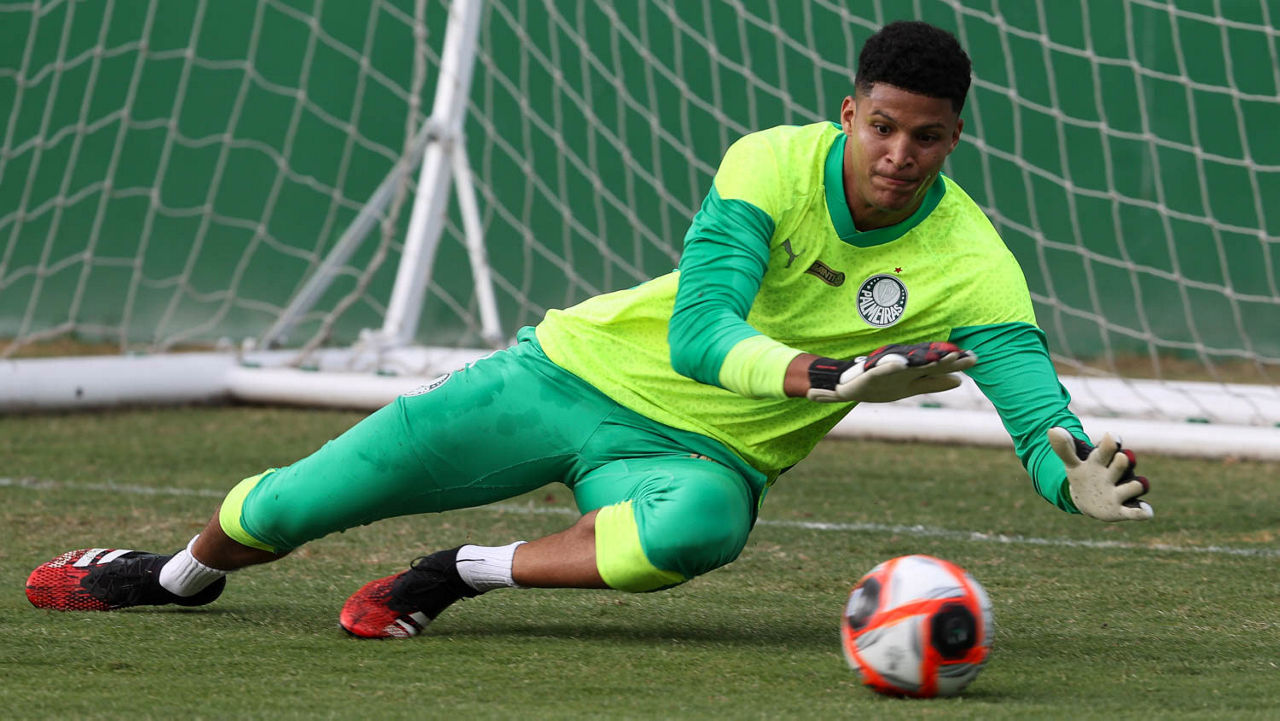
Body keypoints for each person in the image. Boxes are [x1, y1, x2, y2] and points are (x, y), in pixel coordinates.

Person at [26, 20, 1152, 637]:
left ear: (956, 138)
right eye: (884, 128)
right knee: (286, 508)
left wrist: (1067, 477)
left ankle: (460, 572)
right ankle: (174, 577)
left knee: (699, 531)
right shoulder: (767, 165)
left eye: (929, 137)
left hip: (697, 457)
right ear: (848, 113)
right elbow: (700, 335)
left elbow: (1034, 410)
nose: (901, 155)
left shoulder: (971, 262)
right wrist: (830, 376)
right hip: (570, 374)